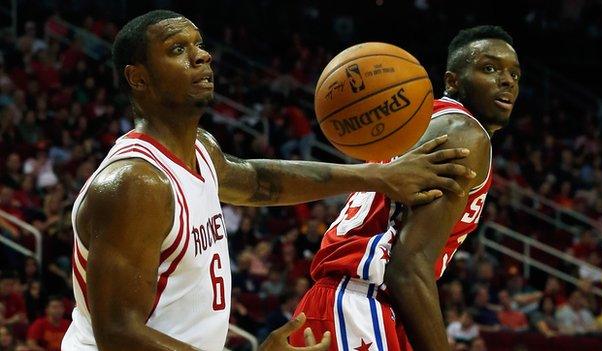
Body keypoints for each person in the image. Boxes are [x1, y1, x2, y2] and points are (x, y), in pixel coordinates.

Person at [60, 10, 475, 351]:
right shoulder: (136, 183)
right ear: (138, 78)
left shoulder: (200, 149)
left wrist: (378, 176)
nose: (201, 56)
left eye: (199, 45)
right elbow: (118, 334)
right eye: (177, 50)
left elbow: (258, 181)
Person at [291, 25, 521, 351]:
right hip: (361, 303)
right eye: (489, 68)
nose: (507, 80)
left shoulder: (418, 123)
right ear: (453, 81)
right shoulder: (464, 131)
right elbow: (407, 268)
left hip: (341, 303)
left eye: (515, 73)